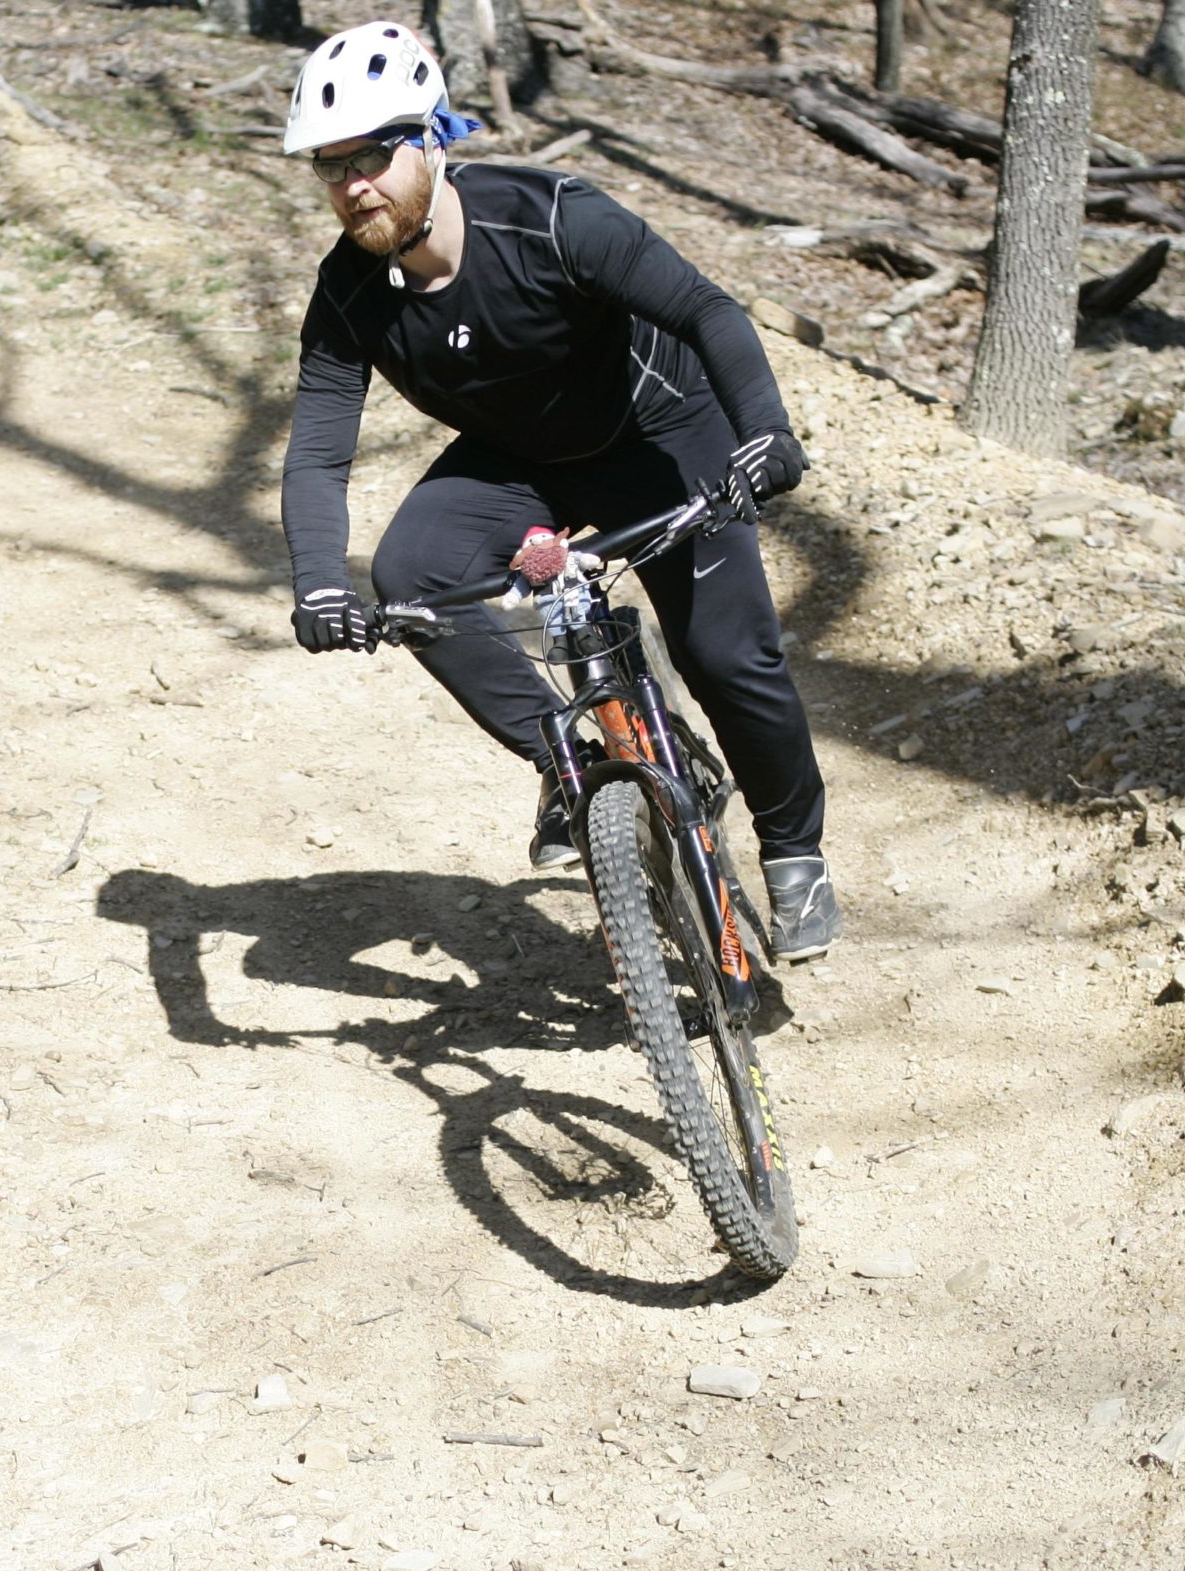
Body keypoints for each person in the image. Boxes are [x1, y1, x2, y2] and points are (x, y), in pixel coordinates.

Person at [276, 21, 841, 961]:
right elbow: (319, 451)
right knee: (413, 571)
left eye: (372, 156)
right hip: (521, 455)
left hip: (660, 433)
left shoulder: (549, 218)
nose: (353, 185)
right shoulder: (347, 293)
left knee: (727, 655)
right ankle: (573, 758)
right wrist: (315, 582)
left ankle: (795, 851)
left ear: (431, 141)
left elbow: (708, 310)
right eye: (329, 168)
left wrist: (766, 435)